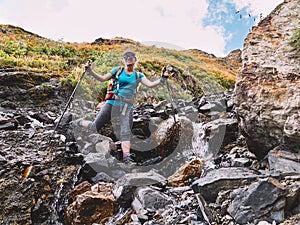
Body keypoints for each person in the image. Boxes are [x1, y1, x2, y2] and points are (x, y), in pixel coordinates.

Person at [76, 49, 169, 163]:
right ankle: (79, 122)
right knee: (95, 126)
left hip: (127, 106)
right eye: (126, 57)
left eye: (131, 56)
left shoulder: (138, 75)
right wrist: (90, 71)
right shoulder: (118, 71)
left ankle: (126, 157)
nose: (128, 58)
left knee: (125, 132)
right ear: (123, 60)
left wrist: (163, 78)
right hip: (112, 103)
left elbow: (150, 84)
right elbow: (102, 78)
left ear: (135, 59)